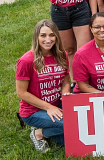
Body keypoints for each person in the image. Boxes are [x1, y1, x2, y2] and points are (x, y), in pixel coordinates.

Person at [16, 20, 70, 151]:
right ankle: (38, 133)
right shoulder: (26, 61)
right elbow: (21, 93)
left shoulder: (63, 55)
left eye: (52, 35)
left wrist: (66, 94)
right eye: (43, 35)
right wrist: (49, 107)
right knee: (69, 125)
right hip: (33, 111)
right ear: (36, 37)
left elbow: (66, 81)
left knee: (79, 123)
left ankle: (51, 129)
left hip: (57, 104)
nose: (48, 39)